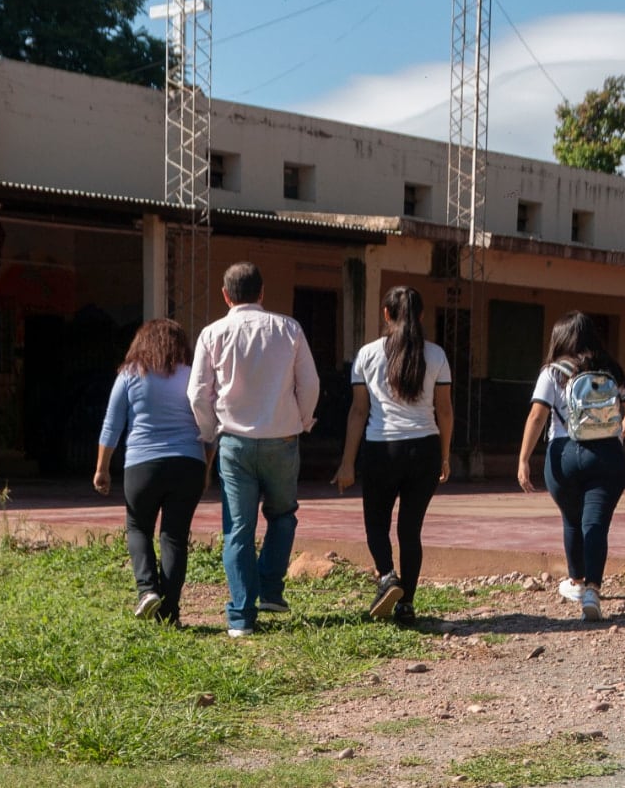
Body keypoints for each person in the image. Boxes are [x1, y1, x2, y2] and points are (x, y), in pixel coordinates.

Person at [188, 262, 320, 638]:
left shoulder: (212, 333)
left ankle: (241, 617)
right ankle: (271, 590)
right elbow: (309, 384)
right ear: (262, 293)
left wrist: (209, 432)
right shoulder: (289, 328)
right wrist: (303, 421)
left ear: (225, 295)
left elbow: (198, 392)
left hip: (234, 443)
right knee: (283, 516)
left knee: (238, 530)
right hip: (282, 439)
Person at [333, 285, 453, 626]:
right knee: (410, 530)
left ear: (386, 314)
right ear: (421, 315)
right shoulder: (436, 355)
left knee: (376, 524)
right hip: (425, 447)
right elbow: (444, 411)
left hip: (381, 449)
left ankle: (387, 576)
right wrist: (444, 455)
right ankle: (407, 604)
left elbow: (358, 412)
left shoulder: (367, 354)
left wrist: (346, 463)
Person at [517, 310, 625, 622]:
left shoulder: (553, 373)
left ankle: (575, 582)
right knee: (596, 524)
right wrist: (619, 435)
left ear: (559, 338)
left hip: (564, 454)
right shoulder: (612, 370)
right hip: (607, 455)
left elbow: (537, 416)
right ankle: (592, 591)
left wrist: (523, 459)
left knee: (572, 520)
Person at [94, 318, 210, 626]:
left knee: (138, 527)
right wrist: (207, 466)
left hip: (142, 465)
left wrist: (101, 468)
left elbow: (112, 424)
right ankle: (170, 612)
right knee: (174, 536)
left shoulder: (130, 374)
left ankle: (147, 590)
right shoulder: (192, 376)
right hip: (188, 464)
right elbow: (209, 424)